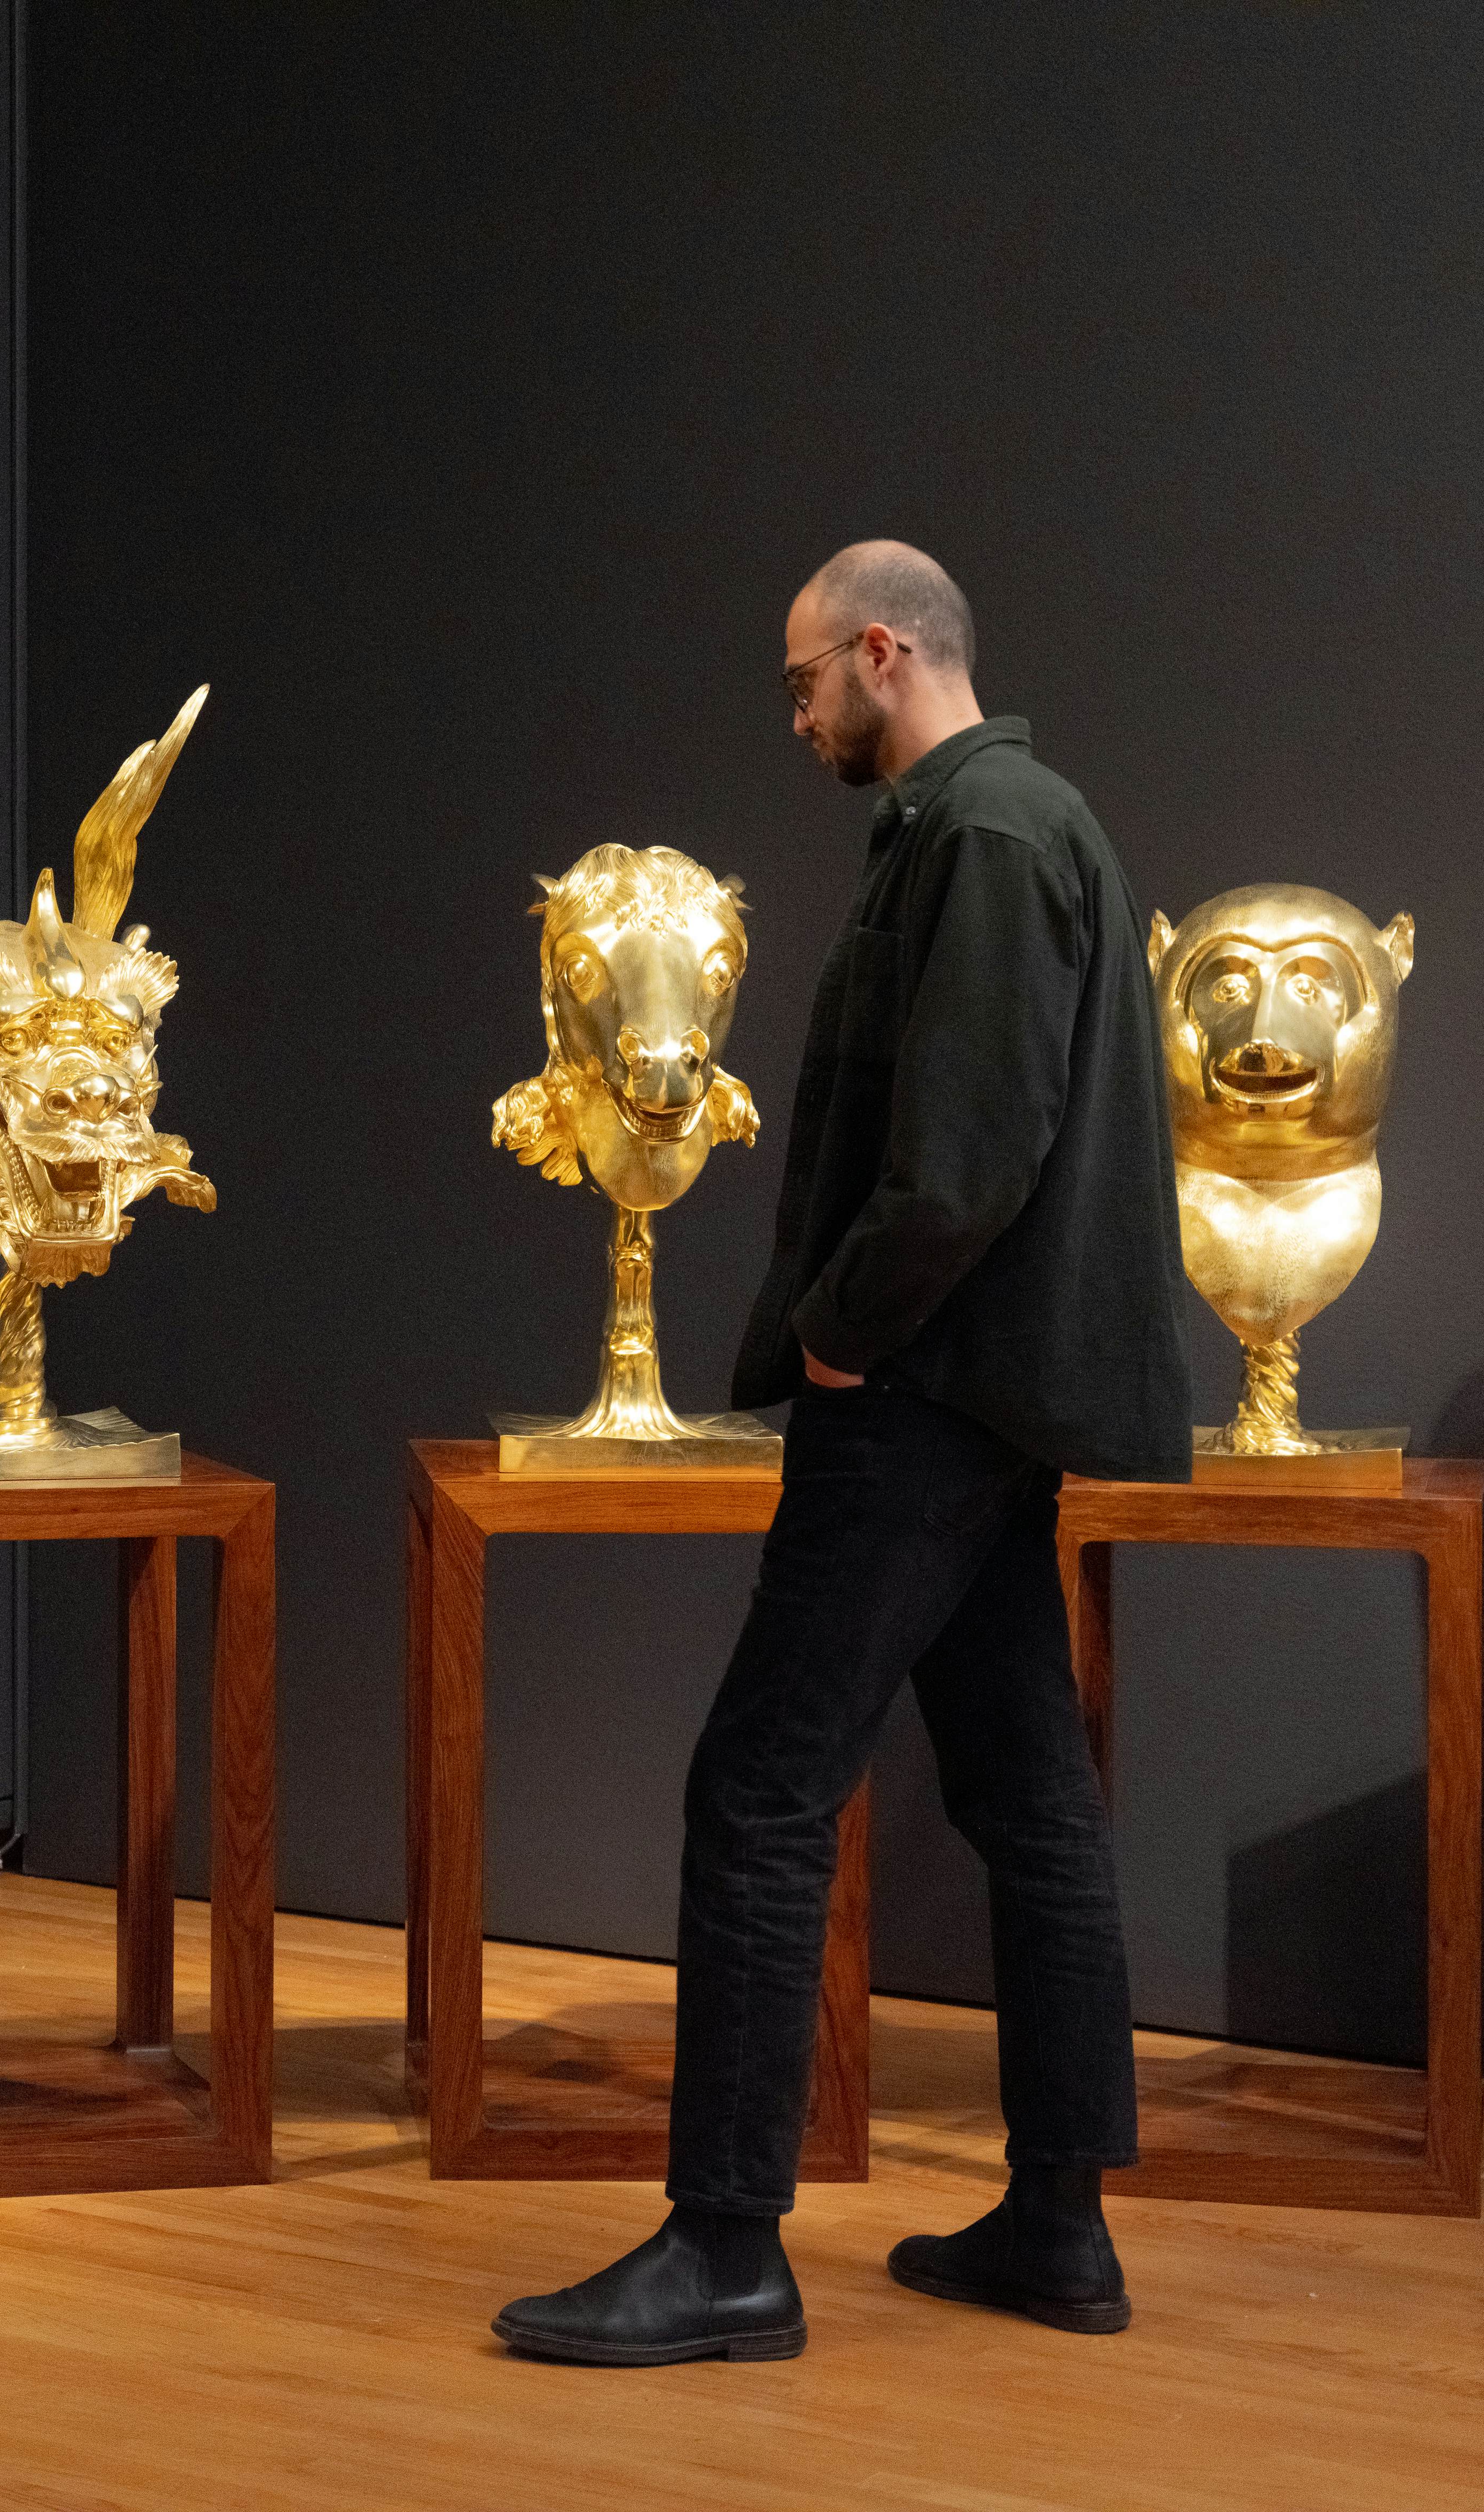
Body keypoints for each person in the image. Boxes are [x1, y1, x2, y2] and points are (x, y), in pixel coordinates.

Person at [492, 541, 1190, 2367]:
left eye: (805, 681)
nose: (797, 714)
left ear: (886, 653)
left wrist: (843, 1331)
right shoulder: (1020, 824)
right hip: (989, 1400)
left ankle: (727, 2243)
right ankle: (1059, 2226)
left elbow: (962, 1160)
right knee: (1031, 1802)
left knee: (759, 1787)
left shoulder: (986, 835)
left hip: (927, 1398)